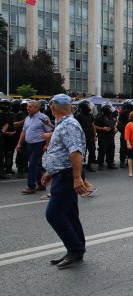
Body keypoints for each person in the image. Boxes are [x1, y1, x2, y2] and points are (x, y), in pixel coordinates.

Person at [41, 94, 88, 269]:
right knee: (69, 214)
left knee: (54, 214)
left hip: (68, 176)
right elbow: (59, 152)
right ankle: (78, 249)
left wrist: (76, 178)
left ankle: (74, 249)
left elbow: (75, 152)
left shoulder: (69, 125)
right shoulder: (63, 124)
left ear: (53, 107)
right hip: (62, 174)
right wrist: (50, 173)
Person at [15, 100, 53, 195]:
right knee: (37, 165)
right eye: (28, 106)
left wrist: (46, 145)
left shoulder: (43, 118)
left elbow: (49, 132)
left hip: (39, 144)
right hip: (29, 144)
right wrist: (19, 144)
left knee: (32, 165)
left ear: (37, 108)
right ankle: (41, 184)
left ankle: (31, 186)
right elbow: (24, 132)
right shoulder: (27, 118)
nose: (28, 108)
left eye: (30, 107)